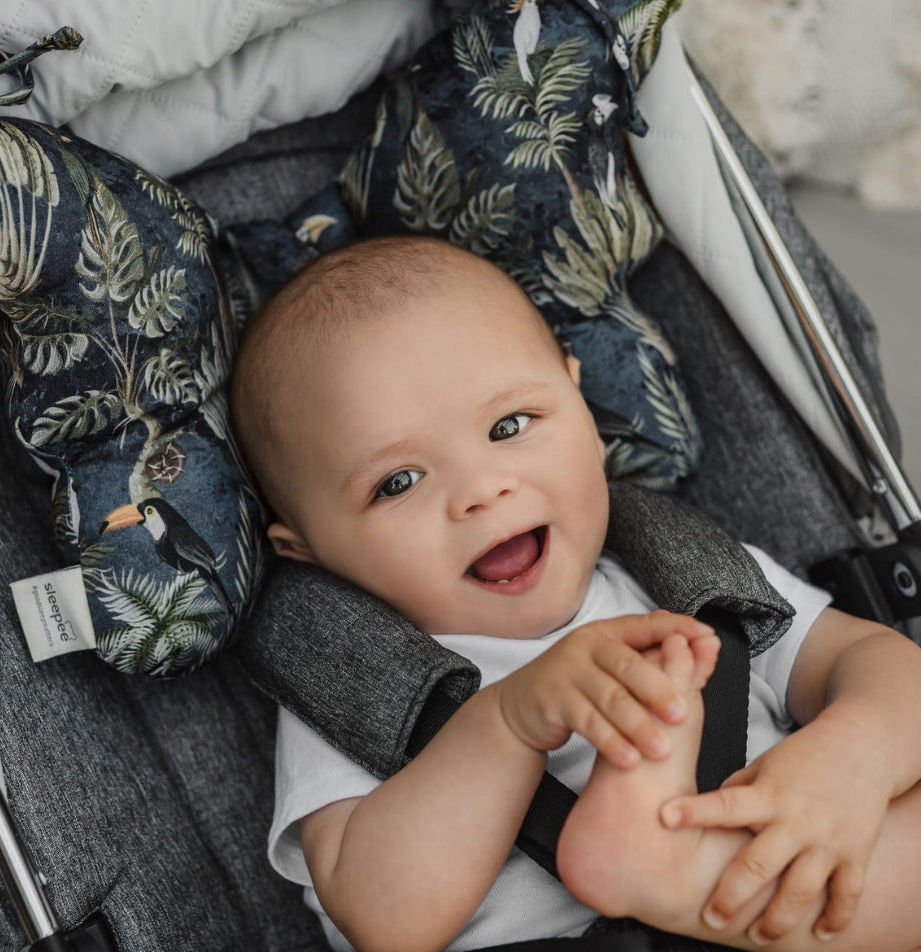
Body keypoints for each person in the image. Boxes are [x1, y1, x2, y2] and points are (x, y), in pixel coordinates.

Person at [230, 234, 921, 952]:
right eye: (397, 482)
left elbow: (877, 661)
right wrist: (509, 723)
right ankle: (660, 868)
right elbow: (382, 919)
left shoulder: (690, 578)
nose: (481, 490)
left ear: (586, 413)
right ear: (306, 551)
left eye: (509, 426)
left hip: (787, 893)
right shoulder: (356, 683)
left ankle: (673, 868)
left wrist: (855, 754)